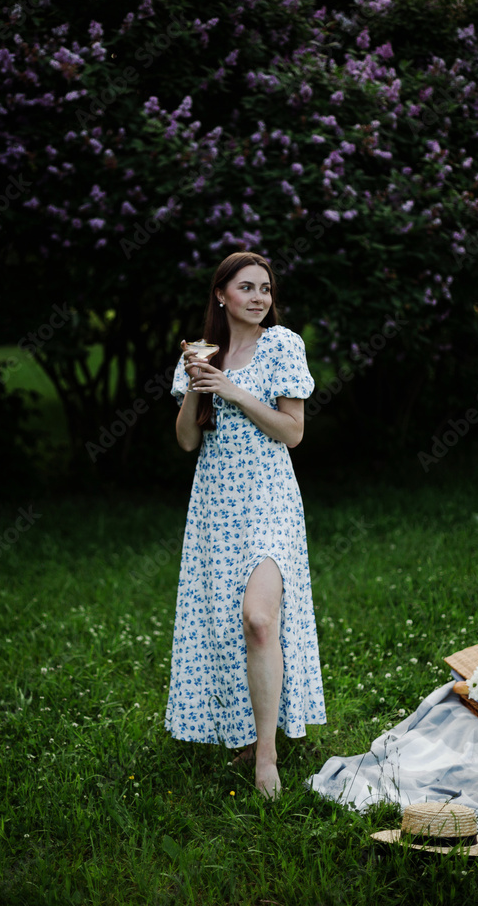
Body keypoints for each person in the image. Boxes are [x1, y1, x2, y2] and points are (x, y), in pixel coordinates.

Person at [165, 251, 326, 798]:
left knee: (259, 620)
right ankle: (238, 734)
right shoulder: (200, 352)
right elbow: (188, 440)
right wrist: (196, 383)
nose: (260, 297)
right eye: (247, 287)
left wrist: (233, 390)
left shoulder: (283, 344)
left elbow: (292, 431)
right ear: (221, 295)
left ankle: (266, 756)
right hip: (216, 504)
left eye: (266, 288)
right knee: (227, 624)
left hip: (269, 498)